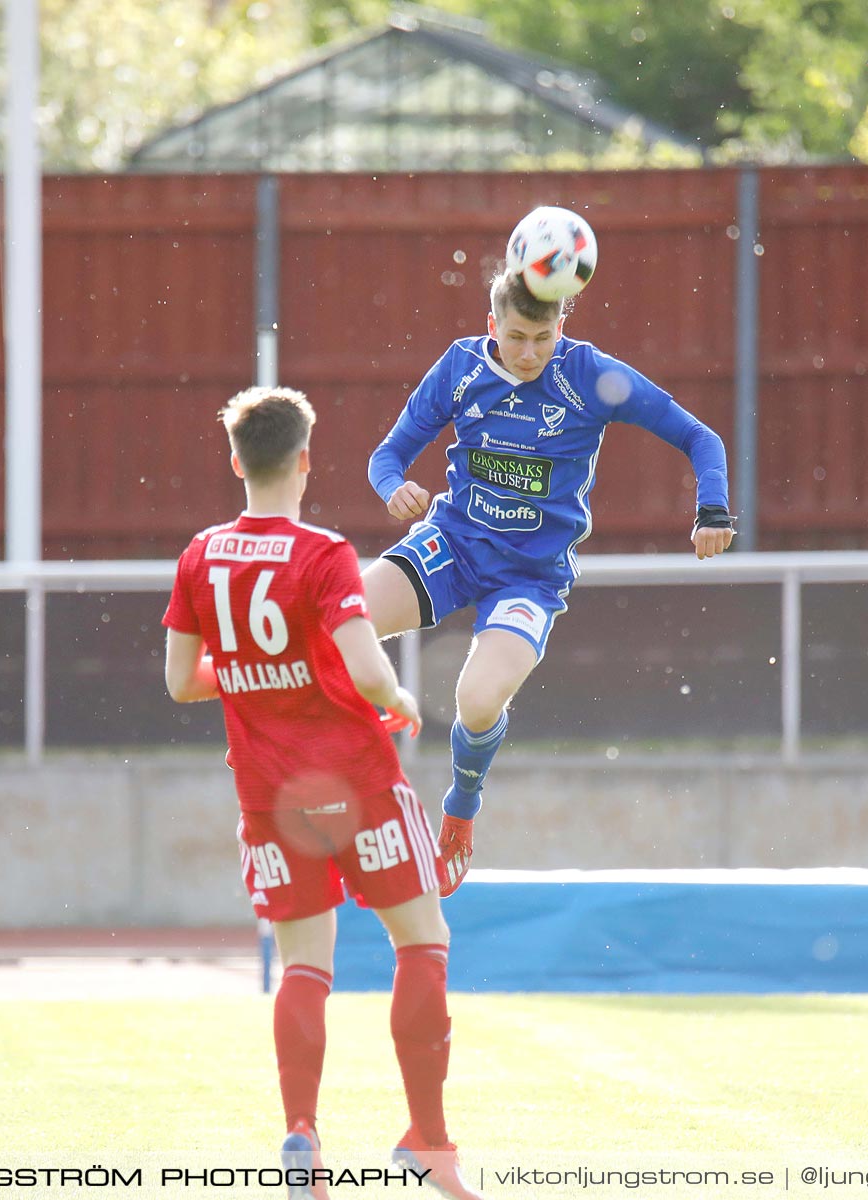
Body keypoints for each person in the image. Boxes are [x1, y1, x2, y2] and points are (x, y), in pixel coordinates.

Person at [163, 387, 485, 1200]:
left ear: (237, 461)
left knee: (306, 965)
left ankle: (302, 1133)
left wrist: (250, 670)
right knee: (422, 941)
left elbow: (179, 682)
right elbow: (368, 661)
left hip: (270, 795)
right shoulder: (324, 553)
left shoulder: (200, 555)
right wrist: (401, 701)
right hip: (357, 779)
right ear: (305, 461)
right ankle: (428, 1141)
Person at [364, 262, 736, 894]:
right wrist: (394, 487)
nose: (531, 353)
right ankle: (299, 731)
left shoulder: (592, 375)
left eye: (544, 338)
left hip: (528, 578)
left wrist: (712, 509)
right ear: (492, 325)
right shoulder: (460, 368)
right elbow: (387, 455)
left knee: (477, 700)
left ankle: (459, 810)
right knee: (339, 619)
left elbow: (700, 438)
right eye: (516, 338)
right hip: (452, 543)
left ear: (564, 322)